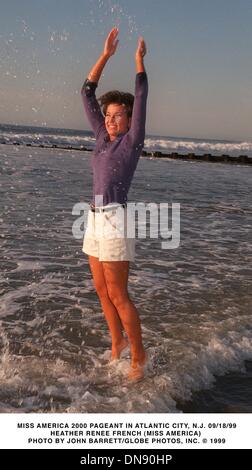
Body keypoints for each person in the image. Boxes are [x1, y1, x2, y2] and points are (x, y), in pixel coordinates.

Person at [81, 27, 148, 381]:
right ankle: (117, 342)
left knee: (119, 294)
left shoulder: (131, 142)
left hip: (116, 220)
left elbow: (141, 93)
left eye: (117, 115)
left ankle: (139, 356)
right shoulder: (100, 138)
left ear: (129, 120)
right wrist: (105, 56)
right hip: (92, 219)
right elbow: (85, 91)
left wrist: (138, 62)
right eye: (107, 114)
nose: (109, 119)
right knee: (100, 289)